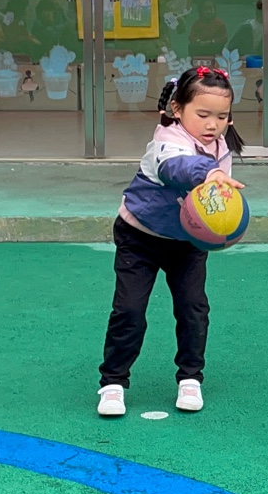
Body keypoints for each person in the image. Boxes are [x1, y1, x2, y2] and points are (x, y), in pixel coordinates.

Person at [98, 66, 244, 417]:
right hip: (140, 237)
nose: (213, 124)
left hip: (186, 243)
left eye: (221, 116)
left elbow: (215, 205)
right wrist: (209, 172)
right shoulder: (166, 140)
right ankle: (113, 382)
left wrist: (222, 231)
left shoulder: (221, 147)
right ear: (177, 108)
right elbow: (175, 169)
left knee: (193, 309)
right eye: (203, 115)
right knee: (129, 310)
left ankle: (190, 378)